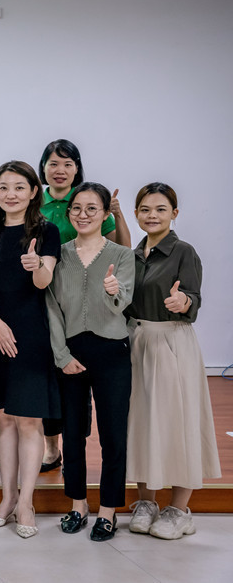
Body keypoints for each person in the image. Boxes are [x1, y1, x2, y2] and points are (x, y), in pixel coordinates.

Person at [125, 183, 220, 539]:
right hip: (138, 343)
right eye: (145, 209)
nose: (152, 215)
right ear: (136, 214)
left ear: (174, 214)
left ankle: (179, 509)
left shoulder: (183, 252)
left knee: (178, 422)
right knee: (142, 422)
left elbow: (193, 296)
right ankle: (146, 502)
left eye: (161, 209)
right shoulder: (133, 255)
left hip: (172, 342)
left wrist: (185, 303)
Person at [0, 161, 61, 539]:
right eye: (4, 187)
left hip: (31, 335)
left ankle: (27, 502)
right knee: (3, 419)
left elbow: (43, 282)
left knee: (28, 420)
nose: (11, 194)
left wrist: (37, 264)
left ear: (33, 192)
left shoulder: (46, 231)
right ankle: (7, 498)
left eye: (19, 187)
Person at [46, 182, 134, 542]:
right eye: (77, 208)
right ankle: (78, 505)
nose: (83, 215)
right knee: (72, 433)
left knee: (113, 434)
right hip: (70, 354)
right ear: (69, 213)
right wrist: (61, 355)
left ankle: (108, 510)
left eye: (92, 208)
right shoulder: (59, 254)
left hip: (112, 352)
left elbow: (123, 301)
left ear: (105, 214)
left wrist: (114, 290)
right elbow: (51, 307)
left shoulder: (122, 255)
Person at [38, 139, 131, 472]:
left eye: (67, 163)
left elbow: (120, 251)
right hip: (46, 292)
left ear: (77, 168)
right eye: (53, 163)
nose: (60, 170)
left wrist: (116, 213)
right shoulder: (36, 202)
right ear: (43, 168)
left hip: (87, 303)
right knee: (54, 383)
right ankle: (53, 449)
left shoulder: (89, 201)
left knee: (84, 398)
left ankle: (74, 454)